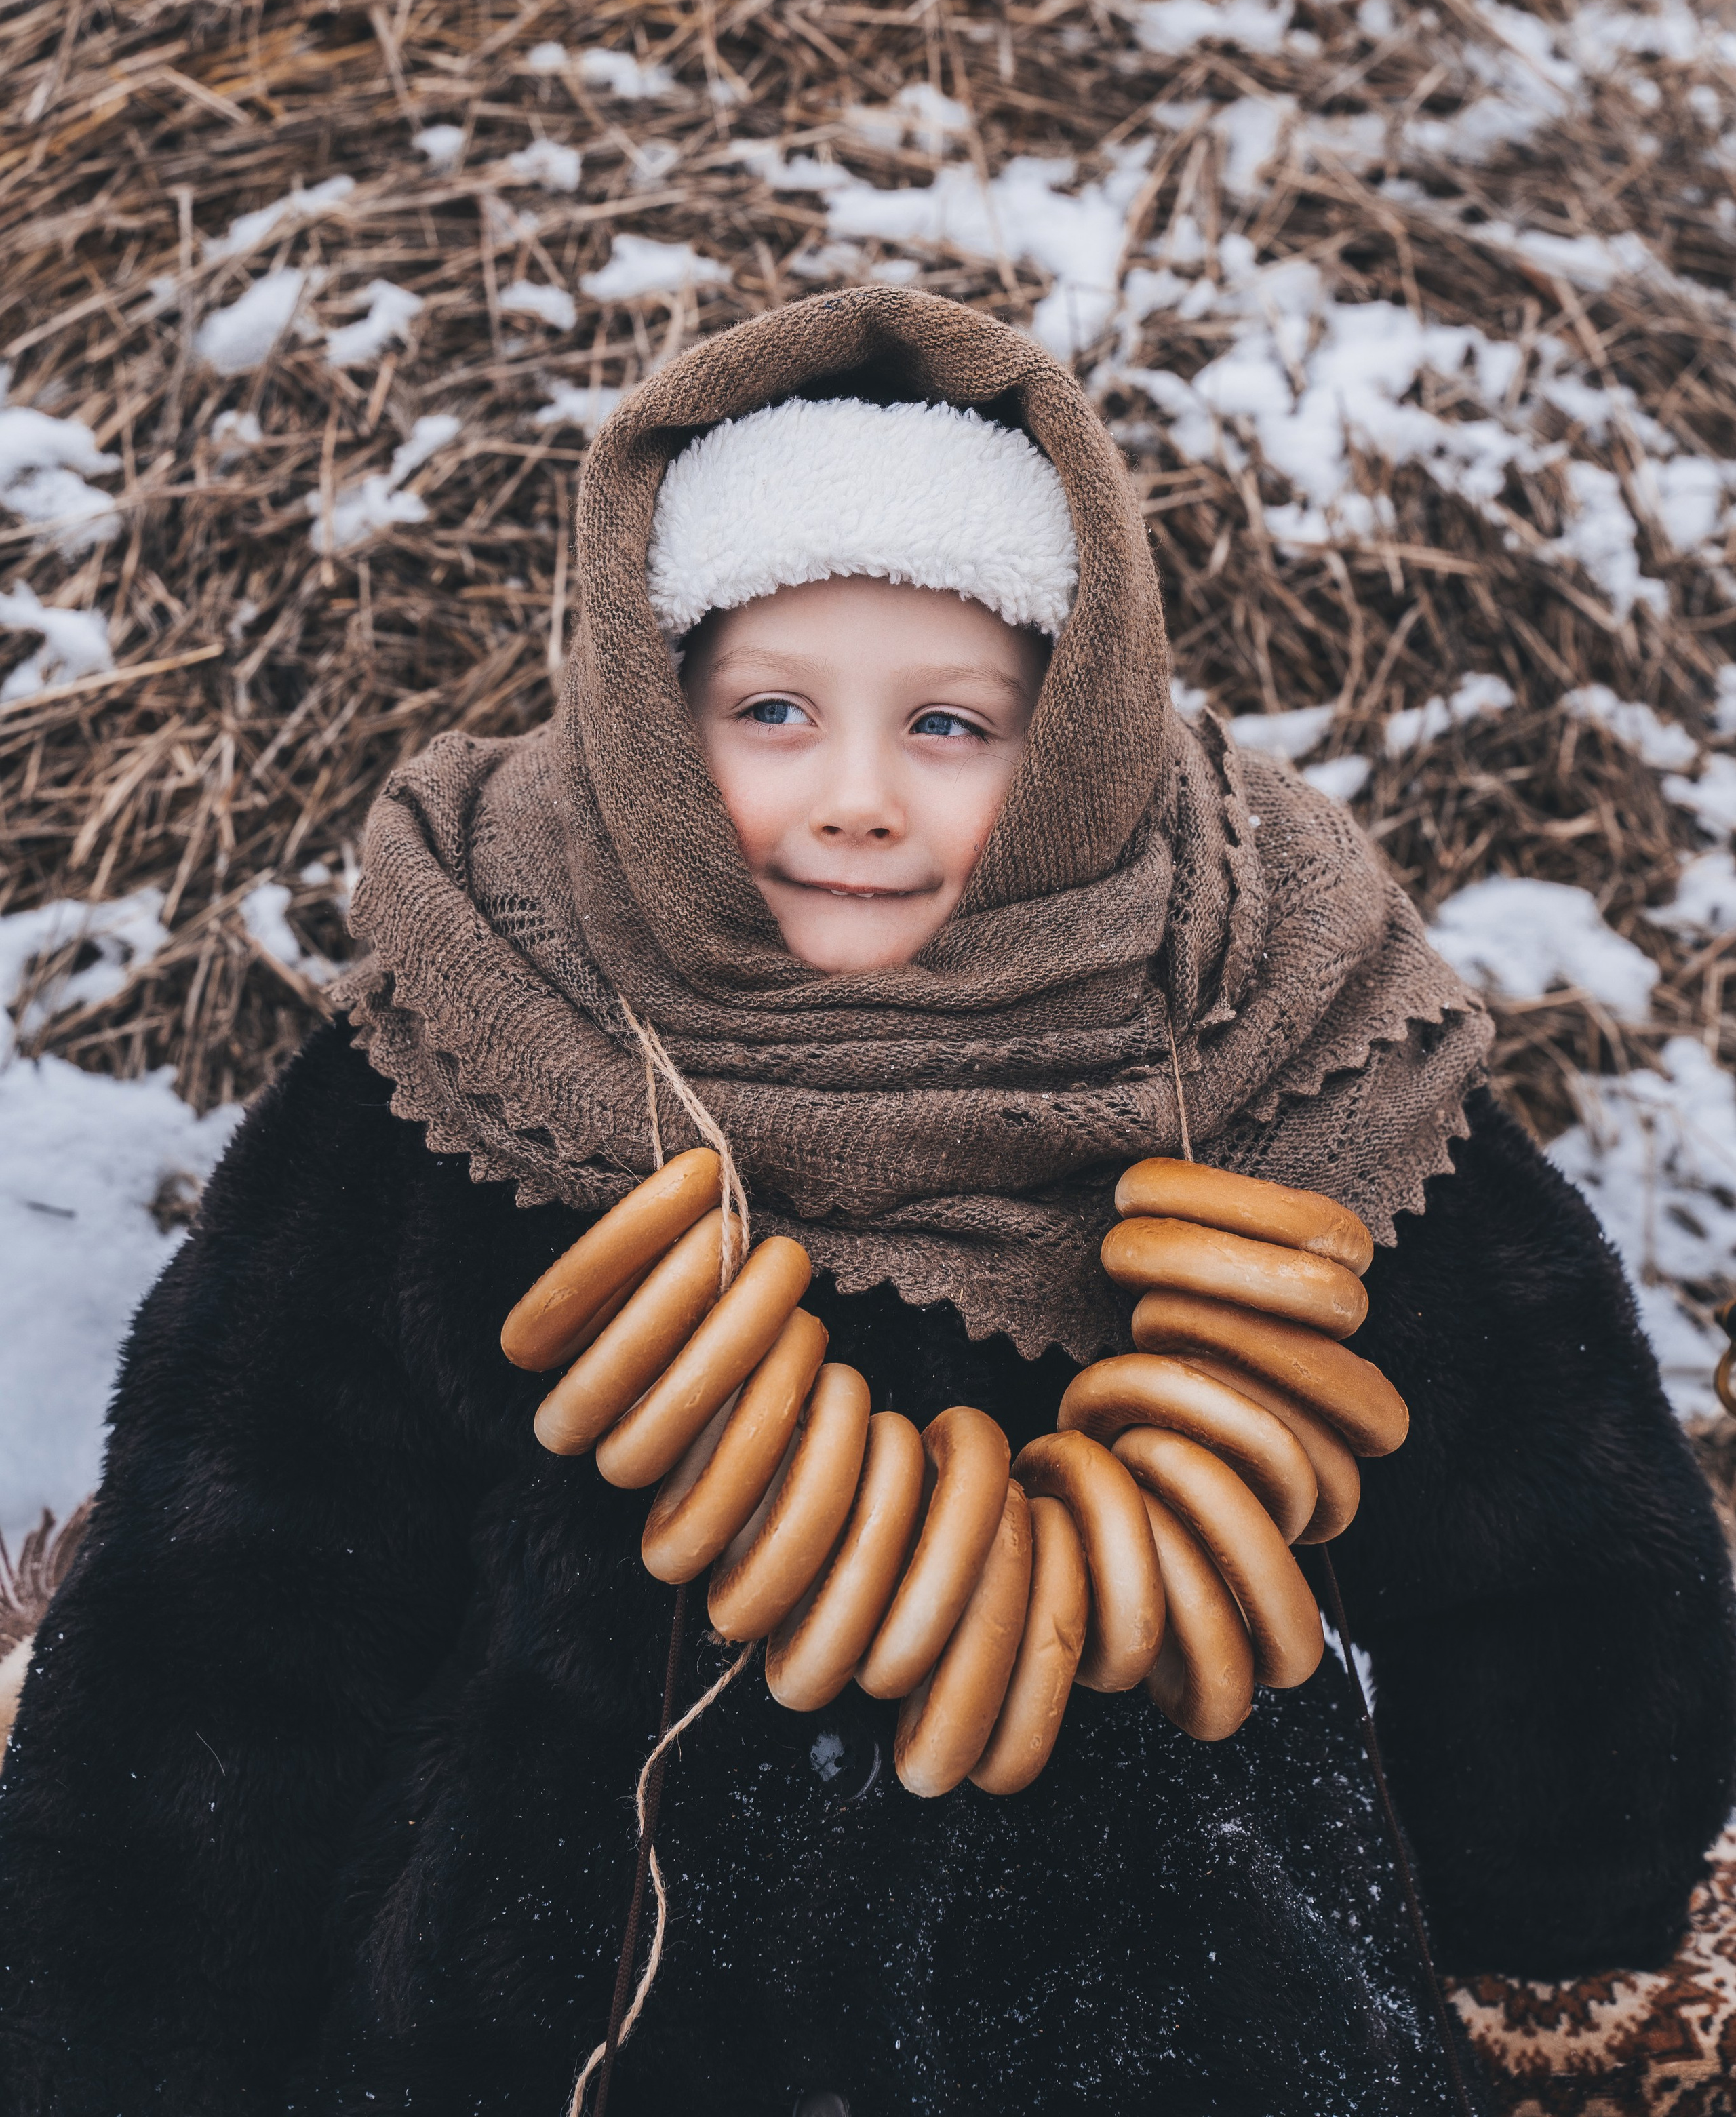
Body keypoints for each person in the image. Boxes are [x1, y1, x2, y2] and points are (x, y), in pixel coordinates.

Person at [0, 289, 1729, 2117]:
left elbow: (1557, 1531)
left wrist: (1557, 1929)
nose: (855, 800)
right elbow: (245, 1608)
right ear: (656, 710)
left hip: (1200, 2026)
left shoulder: (1270, 1039)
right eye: (772, 710)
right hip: (560, 2017)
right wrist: (112, 2040)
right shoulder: (480, 1050)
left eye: (951, 725)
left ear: (1074, 727)